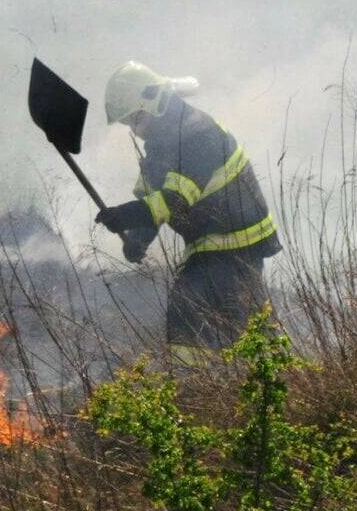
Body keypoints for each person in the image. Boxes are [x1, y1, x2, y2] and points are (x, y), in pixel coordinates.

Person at [93, 61, 280, 365]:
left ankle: (208, 388)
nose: (134, 130)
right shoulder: (162, 141)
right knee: (198, 314)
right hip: (212, 246)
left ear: (152, 103)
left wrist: (125, 216)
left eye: (134, 119)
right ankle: (201, 389)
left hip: (237, 247)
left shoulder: (197, 134)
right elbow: (151, 196)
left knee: (224, 321)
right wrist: (139, 238)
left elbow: (173, 201)